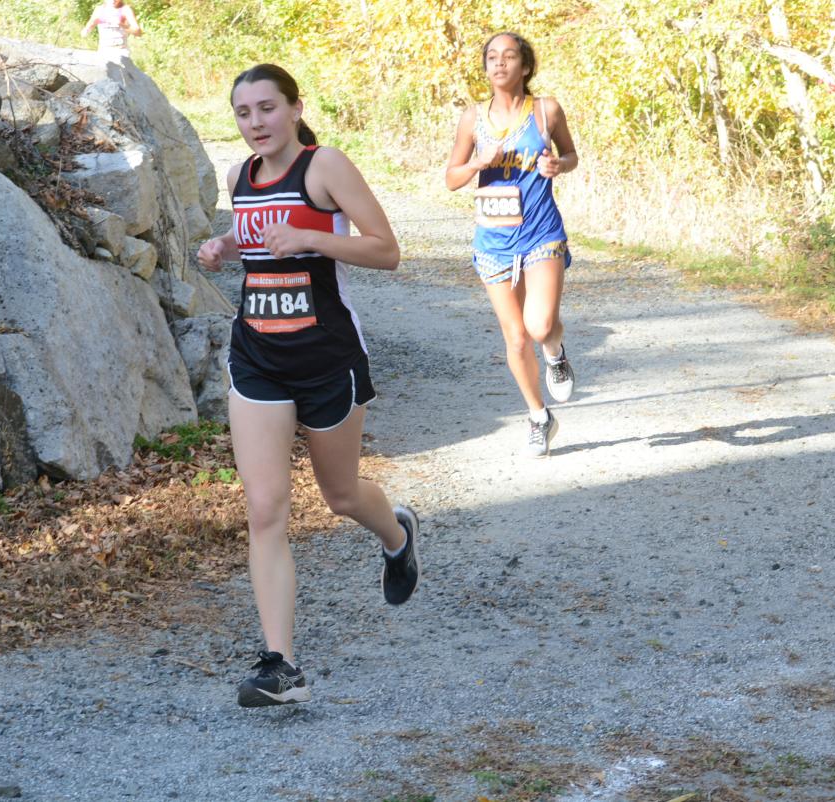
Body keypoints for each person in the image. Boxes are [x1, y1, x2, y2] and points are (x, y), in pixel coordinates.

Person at [197, 64, 420, 708]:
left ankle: (397, 535)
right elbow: (258, 241)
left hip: (327, 359)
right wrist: (224, 247)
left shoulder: (326, 168)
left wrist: (312, 237)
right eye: (243, 114)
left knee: (341, 494)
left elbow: (386, 250)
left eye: (267, 108)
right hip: (258, 357)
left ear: (295, 109)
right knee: (265, 510)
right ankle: (280, 665)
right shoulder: (240, 176)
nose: (256, 123)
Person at [445, 32, 579, 458]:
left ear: (525, 66)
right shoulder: (472, 118)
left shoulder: (546, 110)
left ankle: (555, 352)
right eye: (491, 57)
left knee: (539, 327)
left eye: (509, 56)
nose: (499, 63)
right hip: (494, 238)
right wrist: (476, 164)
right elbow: (450, 178)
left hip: (541, 231)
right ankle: (539, 416)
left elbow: (572, 155)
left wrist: (558, 164)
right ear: (485, 67)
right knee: (516, 337)